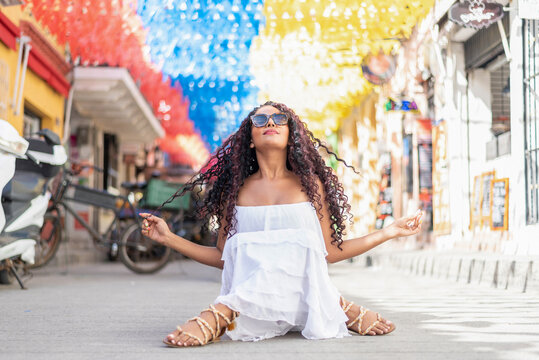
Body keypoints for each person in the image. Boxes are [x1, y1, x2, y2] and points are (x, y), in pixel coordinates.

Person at [140, 101, 423, 347]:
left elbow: (329, 253)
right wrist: (169, 239)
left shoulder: (310, 186)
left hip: (265, 303)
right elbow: (225, 258)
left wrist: (389, 233)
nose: (270, 122)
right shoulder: (234, 192)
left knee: (299, 243)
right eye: (260, 120)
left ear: (291, 135)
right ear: (250, 137)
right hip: (256, 313)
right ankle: (335, 306)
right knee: (248, 245)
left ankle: (221, 313)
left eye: (279, 119)